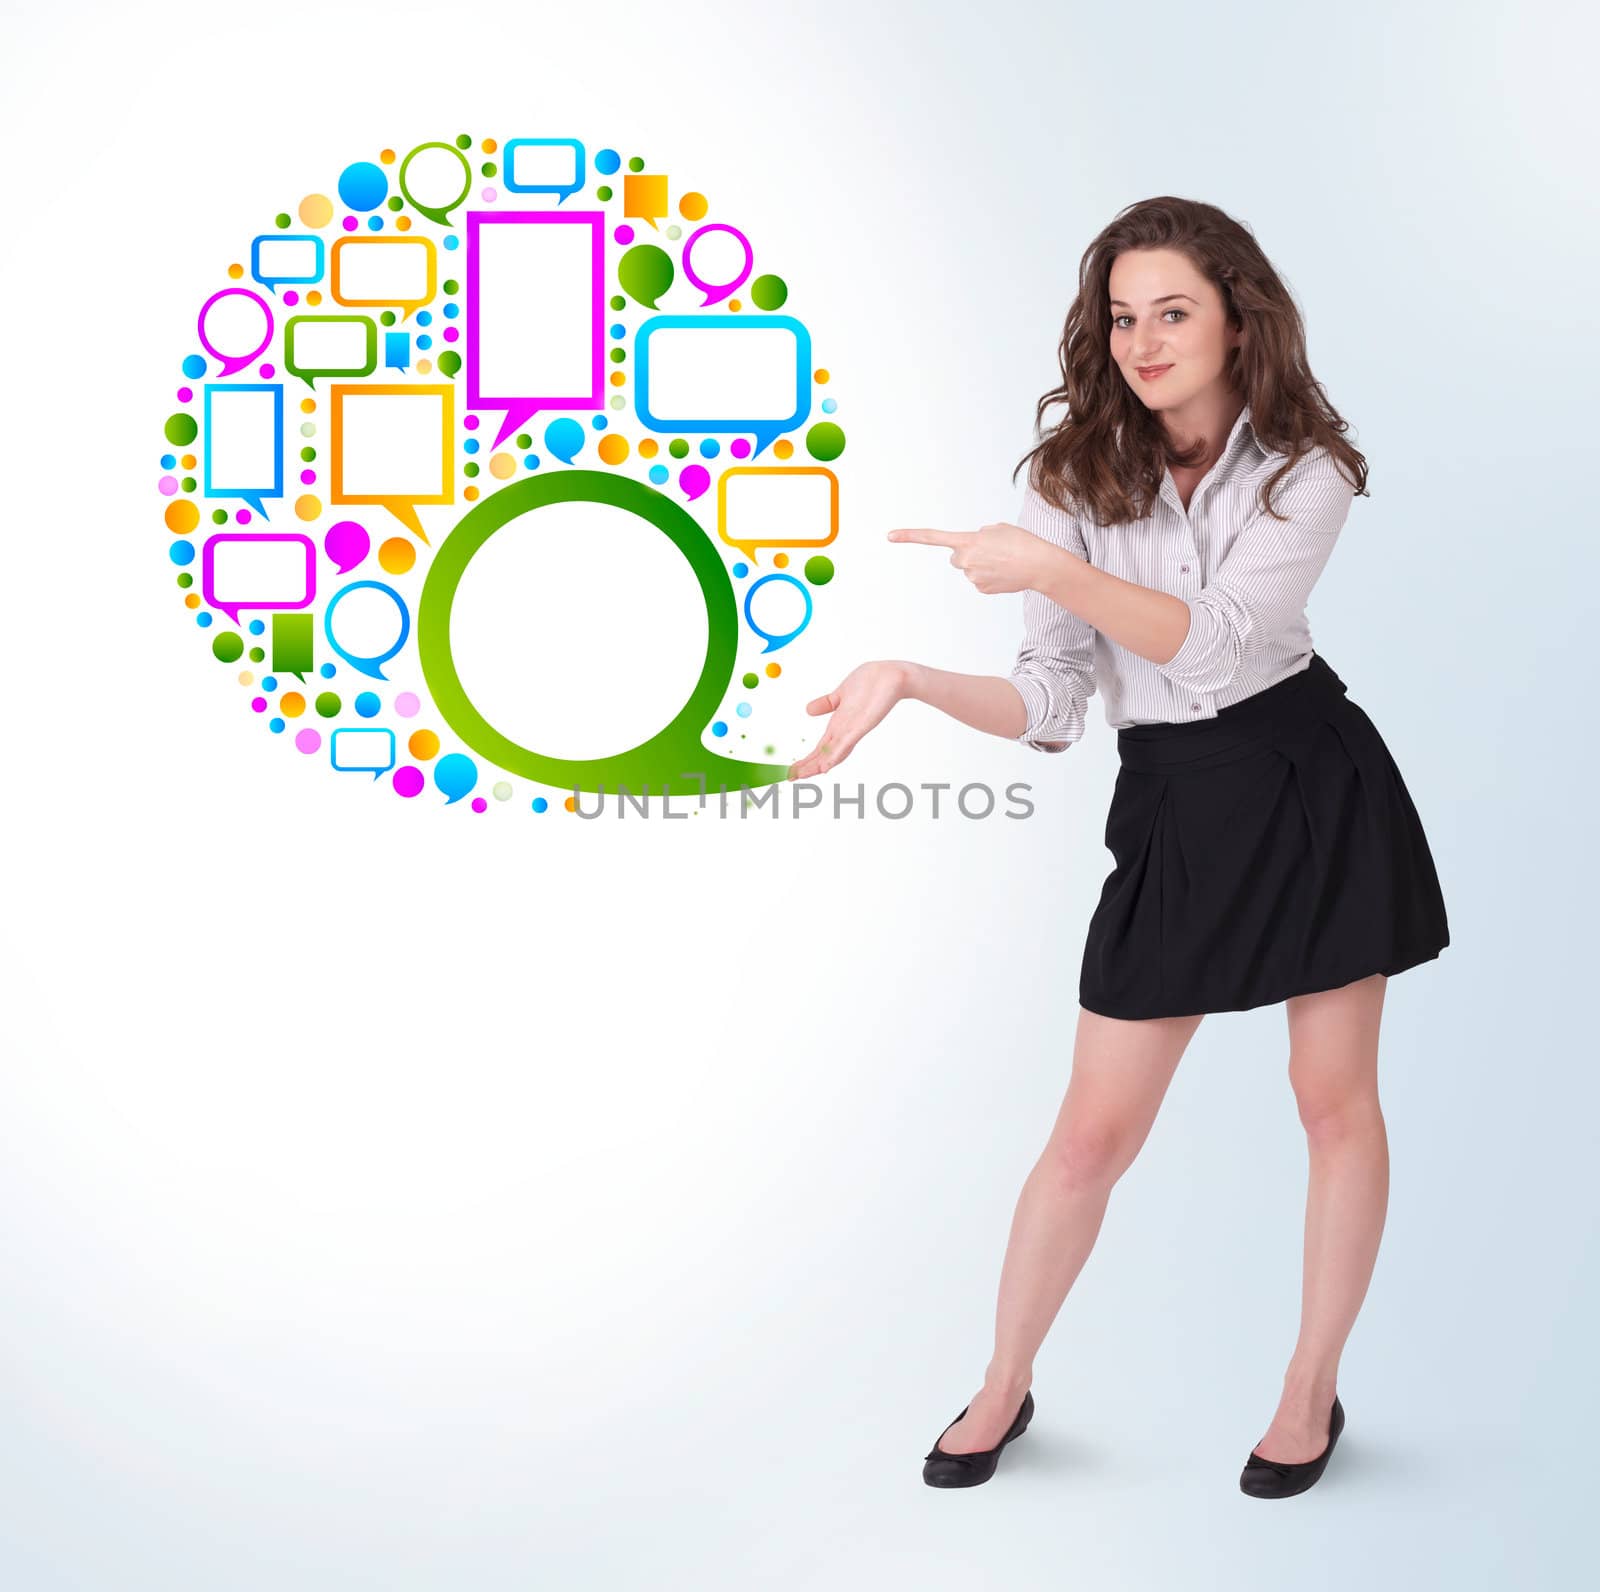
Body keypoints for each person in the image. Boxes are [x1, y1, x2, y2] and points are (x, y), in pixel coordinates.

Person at [786, 196, 1450, 1499]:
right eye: (1122, 316)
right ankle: (1002, 1384)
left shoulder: (1304, 469)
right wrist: (914, 678)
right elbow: (1049, 704)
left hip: (1309, 777)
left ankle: (1308, 1391)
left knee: (1333, 1106)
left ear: (1236, 319)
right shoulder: (1070, 483)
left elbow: (1219, 642)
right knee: (1090, 1135)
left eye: (1174, 311)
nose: (1143, 340)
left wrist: (1051, 567)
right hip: (1174, 805)